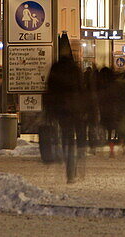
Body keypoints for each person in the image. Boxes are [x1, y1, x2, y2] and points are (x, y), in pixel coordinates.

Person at [44, 37, 85, 183]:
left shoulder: (55, 68)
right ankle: (71, 168)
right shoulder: (75, 69)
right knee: (74, 138)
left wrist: (48, 110)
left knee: (66, 136)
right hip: (74, 108)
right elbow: (83, 90)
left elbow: (48, 91)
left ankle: (67, 158)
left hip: (60, 108)